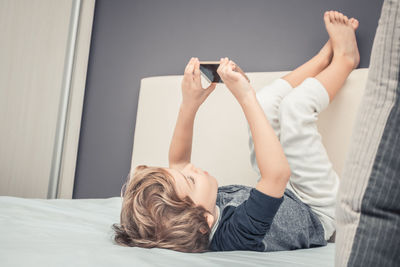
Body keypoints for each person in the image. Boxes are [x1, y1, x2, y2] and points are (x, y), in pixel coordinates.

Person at [112, 11, 360, 253]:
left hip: (286, 193)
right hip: (317, 208)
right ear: (205, 223)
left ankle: (320, 60)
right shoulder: (236, 233)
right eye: (190, 178)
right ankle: (346, 60)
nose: (191, 168)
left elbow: (179, 160)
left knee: (264, 102)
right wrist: (244, 97)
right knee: (295, 108)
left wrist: (189, 104)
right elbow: (276, 176)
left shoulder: (195, 211)